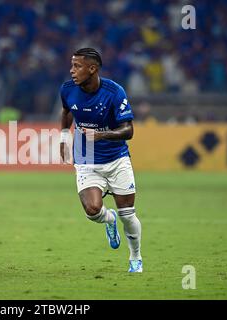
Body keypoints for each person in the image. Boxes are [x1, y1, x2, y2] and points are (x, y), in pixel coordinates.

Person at [59, 48, 143, 272]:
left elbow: (128, 130)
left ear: (92, 68)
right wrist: (63, 137)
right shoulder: (67, 89)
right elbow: (67, 111)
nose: (72, 71)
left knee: (128, 215)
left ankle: (135, 257)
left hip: (117, 159)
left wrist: (101, 135)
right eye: (72, 65)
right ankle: (109, 220)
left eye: (77, 66)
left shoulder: (114, 91)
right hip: (86, 160)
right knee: (93, 210)